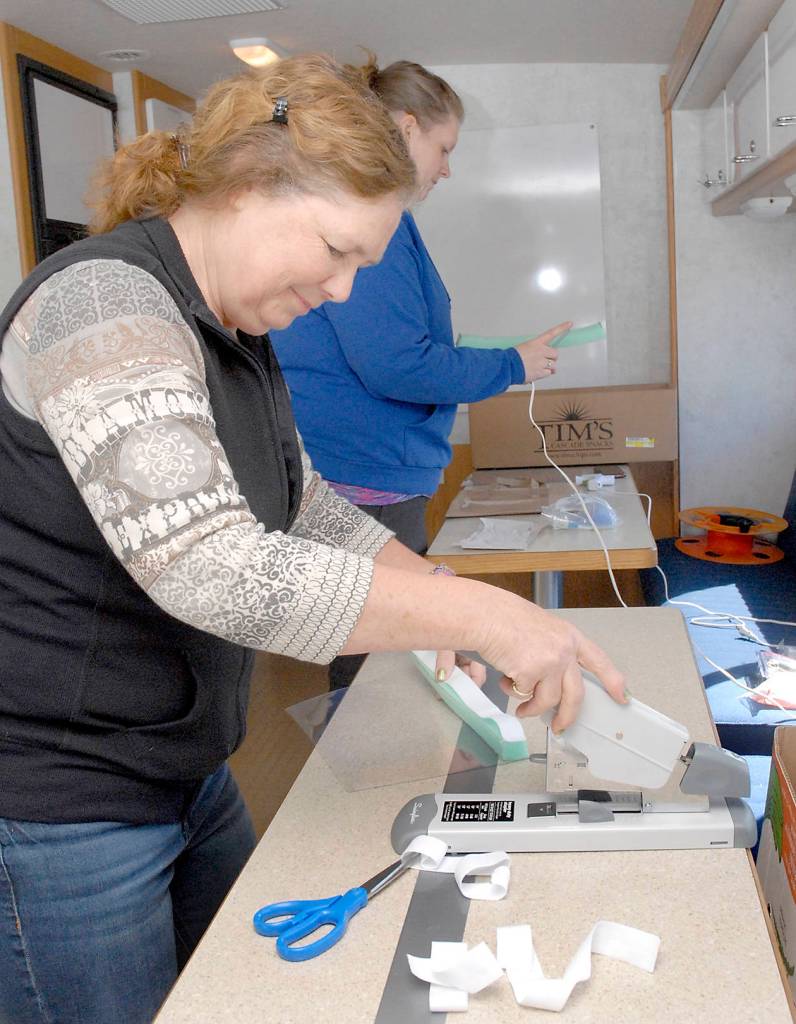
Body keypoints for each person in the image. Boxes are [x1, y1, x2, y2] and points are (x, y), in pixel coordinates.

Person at [0, 54, 625, 1024]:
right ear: (250, 186)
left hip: (182, 764)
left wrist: (435, 595)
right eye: (335, 251)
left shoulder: (235, 335)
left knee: (250, 996)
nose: (341, 293)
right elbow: (214, 566)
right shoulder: (104, 306)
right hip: (62, 801)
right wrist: (484, 615)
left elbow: (301, 503)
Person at [270, 57, 571, 689]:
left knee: (389, 665)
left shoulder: (386, 225)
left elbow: (394, 350)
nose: (447, 167)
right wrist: (513, 363)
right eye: (444, 148)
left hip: (365, 474)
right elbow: (396, 364)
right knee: (378, 681)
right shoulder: (372, 224)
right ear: (406, 129)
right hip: (363, 479)